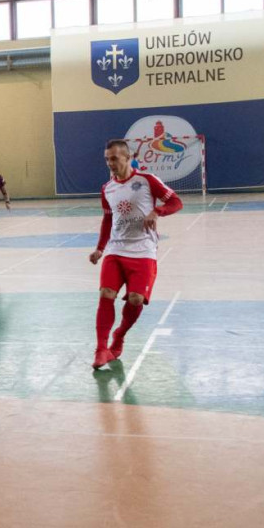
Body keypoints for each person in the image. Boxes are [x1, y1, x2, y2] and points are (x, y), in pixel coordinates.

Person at [90, 139, 183, 370]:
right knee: (106, 293)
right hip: (116, 249)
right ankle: (101, 349)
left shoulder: (147, 180)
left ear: (128, 157)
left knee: (135, 299)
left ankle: (119, 336)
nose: (110, 163)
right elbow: (108, 219)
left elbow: (176, 202)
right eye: (107, 159)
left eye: (114, 158)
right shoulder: (107, 188)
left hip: (143, 251)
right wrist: (100, 248)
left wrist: (157, 211)